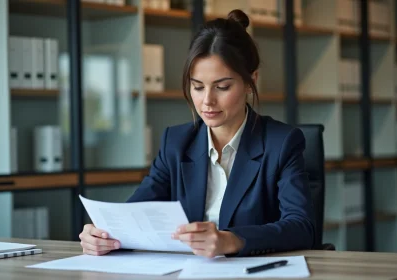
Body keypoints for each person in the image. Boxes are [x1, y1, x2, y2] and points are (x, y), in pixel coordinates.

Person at [79, 9, 315, 258]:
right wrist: (102, 235)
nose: (207, 101)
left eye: (222, 87)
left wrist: (232, 240)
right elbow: (134, 215)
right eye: (198, 87)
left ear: (250, 81)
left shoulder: (281, 143)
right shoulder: (177, 143)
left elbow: (301, 227)